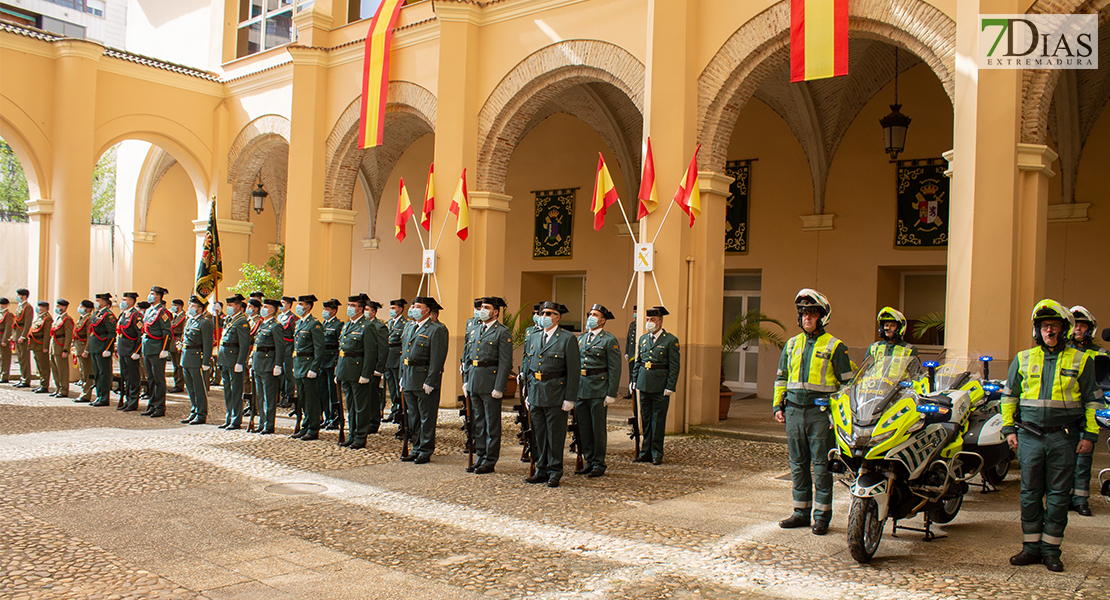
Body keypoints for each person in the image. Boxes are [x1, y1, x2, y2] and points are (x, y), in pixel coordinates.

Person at [1003, 299, 1102, 572]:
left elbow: (1094, 402)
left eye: (1055, 326)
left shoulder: (1081, 360)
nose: (1049, 331)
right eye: (1045, 326)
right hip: (1030, 438)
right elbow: (1009, 397)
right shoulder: (1022, 359)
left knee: (1059, 497)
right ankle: (1030, 548)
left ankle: (1050, 551)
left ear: (1064, 329)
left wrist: (1089, 436)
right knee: (1029, 495)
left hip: (1064, 438)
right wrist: (1009, 428)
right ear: (1037, 330)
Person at [772, 289, 853, 536]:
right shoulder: (791, 344)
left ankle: (821, 517)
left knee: (821, 466)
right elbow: (781, 378)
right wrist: (777, 406)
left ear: (822, 316)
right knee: (797, 464)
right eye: (804, 313)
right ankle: (800, 512)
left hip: (820, 415)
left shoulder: (836, 346)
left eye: (812, 313)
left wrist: (837, 417)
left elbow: (846, 387)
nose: (807, 317)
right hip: (794, 412)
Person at [520, 302, 579, 486]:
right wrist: (527, 392)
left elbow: (573, 370)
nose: (544, 316)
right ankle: (541, 469)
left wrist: (570, 398)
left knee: (555, 434)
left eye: (548, 313)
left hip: (556, 393)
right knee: (539, 434)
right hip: (536, 391)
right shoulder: (534, 337)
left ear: (557, 317)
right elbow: (530, 367)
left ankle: (555, 471)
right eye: (542, 313)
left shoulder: (567, 339)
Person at [463, 297, 513, 474]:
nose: (481, 310)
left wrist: (499, 386)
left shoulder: (502, 332)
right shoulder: (475, 330)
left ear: (495, 312)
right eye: (481, 307)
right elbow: (469, 358)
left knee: (492, 424)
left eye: (486, 307)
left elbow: (505, 362)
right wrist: (466, 380)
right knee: (478, 422)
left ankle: (490, 460)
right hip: (475, 381)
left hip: (490, 382)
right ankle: (480, 455)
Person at [1067, 305, 1107, 517]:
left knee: (1084, 457)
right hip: (1066, 413)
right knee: (1064, 460)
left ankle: (1081, 500)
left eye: (1082, 325)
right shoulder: (1062, 353)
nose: (1078, 329)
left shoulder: (1100, 354)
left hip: (1089, 411)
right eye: (1075, 325)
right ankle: (1065, 497)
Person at [400, 296, 448, 463]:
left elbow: (437, 358)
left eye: (417, 306)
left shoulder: (436, 329)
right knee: (413, 416)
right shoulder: (409, 327)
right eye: (413, 305)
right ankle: (416, 447)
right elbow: (404, 354)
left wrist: (431, 381)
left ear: (427, 310)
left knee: (426, 416)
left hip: (424, 378)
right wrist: (402, 376)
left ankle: (426, 450)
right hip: (409, 377)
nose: (413, 308)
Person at [630, 306, 681, 466]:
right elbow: (639, 361)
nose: (649, 323)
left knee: (657, 421)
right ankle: (645, 452)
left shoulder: (670, 340)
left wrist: (670, 385)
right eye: (647, 320)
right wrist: (634, 379)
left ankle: (656, 453)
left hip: (660, 386)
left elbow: (674, 366)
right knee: (645, 420)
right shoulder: (643, 339)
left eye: (652, 320)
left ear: (660, 322)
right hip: (644, 384)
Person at [576, 304, 621, 477]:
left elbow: (615, 369)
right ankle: (589, 459)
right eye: (590, 314)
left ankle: (599, 463)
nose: (590, 317)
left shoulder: (609, 340)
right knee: (584, 427)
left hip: (598, 388)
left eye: (594, 315)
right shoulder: (581, 339)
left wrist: (611, 393)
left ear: (602, 321)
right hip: (581, 388)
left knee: (597, 428)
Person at [337, 294, 378, 449]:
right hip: (346, 370)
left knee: (360, 406)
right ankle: (352, 434)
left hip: (358, 371)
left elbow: (370, 353)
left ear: (360, 308)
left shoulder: (367, 326)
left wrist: (366, 374)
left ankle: (360, 437)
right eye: (348, 305)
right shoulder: (347, 325)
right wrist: (338, 372)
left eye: (352, 305)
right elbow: (342, 350)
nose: (349, 308)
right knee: (351, 406)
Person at [291, 294, 325, 440]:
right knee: (303, 398)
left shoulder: (314, 324)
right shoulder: (299, 323)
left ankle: (313, 428)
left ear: (308, 306)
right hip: (299, 365)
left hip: (309, 365)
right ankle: (305, 426)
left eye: (301, 304)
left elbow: (319, 348)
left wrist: (314, 368)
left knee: (312, 399)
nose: (298, 306)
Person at [251, 299, 285, 434]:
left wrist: (278, 365)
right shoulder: (262, 324)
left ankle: (269, 424)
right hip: (258, 364)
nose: (262, 309)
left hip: (268, 364)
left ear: (271, 310)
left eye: (265, 307)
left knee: (269, 397)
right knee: (259, 396)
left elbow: (280, 346)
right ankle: (261, 422)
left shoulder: (276, 326)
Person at [218, 294, 251, 430]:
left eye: (231, 305)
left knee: (236, 391)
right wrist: (218, 313)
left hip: (234, 360)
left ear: (238, 307)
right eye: (228, 305)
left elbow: (244, 345)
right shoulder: (229, 320)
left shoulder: (242, 322)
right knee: (227, 391)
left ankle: (236, 419)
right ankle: (229, 416)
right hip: (225, 359)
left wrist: (240, 362)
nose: (229, 308)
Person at [140, 286, 173, 417]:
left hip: (157, 349)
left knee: (158, 379)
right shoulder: (149, 311)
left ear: (158, 296)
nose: (150, 296)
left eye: (152, 294)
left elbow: (167, 332)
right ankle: (152, 404)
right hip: (148, 348)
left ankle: (160, 406)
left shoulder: (162, 312)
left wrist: (165, 349)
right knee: (150, 379)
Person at [180, 296, 213, 425]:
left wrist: (205, 362)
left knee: (199, 387)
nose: (190, 308)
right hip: (186, 356)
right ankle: (194, 410)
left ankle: (201, 413)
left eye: (193, 306)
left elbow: (207, 343)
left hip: (196, 357)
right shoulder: (189, 321)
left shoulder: (204, 323)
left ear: (200, 309)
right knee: (190, 387)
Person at [87, 293, 116, 407]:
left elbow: (111, 333)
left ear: (104, 302)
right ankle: (99, 396)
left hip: (103, 347)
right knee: (97, 373)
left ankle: (104, 398)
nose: (96, 302)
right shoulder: (97, 313)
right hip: (95, 347)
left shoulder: (108, 315)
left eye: (98, 300)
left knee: (104, 373)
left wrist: (108, 348)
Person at [365, 299, 389, 432]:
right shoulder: (363, 325)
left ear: (373, 312)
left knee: (373, 396)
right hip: (363, 367)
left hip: (373, 367)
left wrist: (379, 368)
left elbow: (383, 349)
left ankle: (374, 422)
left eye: (367, 310)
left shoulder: (379, 327)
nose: (365, 312)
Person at [318, 298, 343, 429]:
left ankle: (335, 417)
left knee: (333, 391)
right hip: (322, 361)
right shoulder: (323, 324)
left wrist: (338, 362)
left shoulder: (338, 325)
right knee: (323, 391)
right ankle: (327, 416)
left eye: (327, 309)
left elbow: (341, 345)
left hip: (332, 360)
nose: (325, 312)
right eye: (324, 309)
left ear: (334, 311)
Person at [115, 292, 142, 411]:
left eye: (124, 299)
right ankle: (127, 399)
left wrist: (137, 351)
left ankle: (133, 401)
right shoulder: (123, 314)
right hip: (122, 349)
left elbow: (140, 334)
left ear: (131, 301)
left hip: (131, 350)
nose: (122, 301)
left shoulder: (136, 315)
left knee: (133, 377)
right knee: (125, 377)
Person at [384, 298, 408, 424]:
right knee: (391, 386)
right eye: (391, 308)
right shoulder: (389, 323)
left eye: (394, 308)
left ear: (400, 309)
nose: (391, 310)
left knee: (399, 386)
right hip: (388, 357)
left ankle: (400, 410)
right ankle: (393, 409)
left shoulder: (404, 324)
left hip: (397, 357)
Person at [48, 299, 73, 398]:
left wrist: (66, 349)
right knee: (55, 369)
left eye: (59, 306)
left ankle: (64, 389)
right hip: (54, 347)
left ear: (64, 307)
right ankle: (58, 387)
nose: (57, 308)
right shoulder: (58, 318)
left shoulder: (67, 319)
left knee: (62, 370)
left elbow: (68, 335)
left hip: (60, 347)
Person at [72, 300, 95, 403]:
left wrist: (87, 349)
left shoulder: (89, 319)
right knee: (82, 372)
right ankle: (83, 392)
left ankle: (86, 394)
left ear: (88, 309)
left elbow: (89, 336)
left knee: (87, 373)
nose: (79, 308)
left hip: (83, 347)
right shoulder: (82, 318)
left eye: (82, 306)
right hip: (79, 347)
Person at [278, 296, 299, 409]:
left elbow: (295, 336)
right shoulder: (280, 316)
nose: (281, 305)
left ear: (289, 305)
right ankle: (283, 396)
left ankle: (289, 396)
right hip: (281, 347)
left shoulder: (293, 318)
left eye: (283, 303)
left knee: (288, 374)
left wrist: (294, 350)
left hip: (288, 347)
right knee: (281, 374)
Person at [28, 300, 52, 393]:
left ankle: (45, 385)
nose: (38, 308)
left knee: (44, 366)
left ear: (44, 308)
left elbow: (47, 334)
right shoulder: (39, 317)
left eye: (40, 306)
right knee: (39, 365)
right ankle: (41, 383)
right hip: (35, 344)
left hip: (41, 344)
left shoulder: (47, 318)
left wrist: (45, 346)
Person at [12, 288, 33, 388]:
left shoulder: (27, 307)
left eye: (19, 295)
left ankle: (26, 379)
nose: (17, 297)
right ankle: (23, 377)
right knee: (20, 358)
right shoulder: (20, 306)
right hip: (18, 334)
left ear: (23, 296)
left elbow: (27, 323)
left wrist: (23, 336)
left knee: (24, 358)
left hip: (22, 335)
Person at [168, 299, 187, 393]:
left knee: (179, 365)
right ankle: (177, 383)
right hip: (173, 342)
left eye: (174, 305)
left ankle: (180, 384)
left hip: (178, 341)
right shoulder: (174, 317)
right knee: (175, 364)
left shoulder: (184, 317)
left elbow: (183, 330)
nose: (173, 307)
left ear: (179, 306)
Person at [624, 305, 637, 398]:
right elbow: (629, 340)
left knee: (635, 373)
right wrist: (626, 352)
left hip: (636, 354)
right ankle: (630, 391)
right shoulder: (632, 324)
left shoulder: (641, 324)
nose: (634, 313)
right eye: (634, 311)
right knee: (631, 373)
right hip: (631, 353)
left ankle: (634, 391)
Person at [0, 298, 13, 383]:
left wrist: (4, 340)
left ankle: (5, 375)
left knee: (5, 357)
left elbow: (8, 328)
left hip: (2, 336)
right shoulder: (1, 314)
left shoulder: (8, 315)